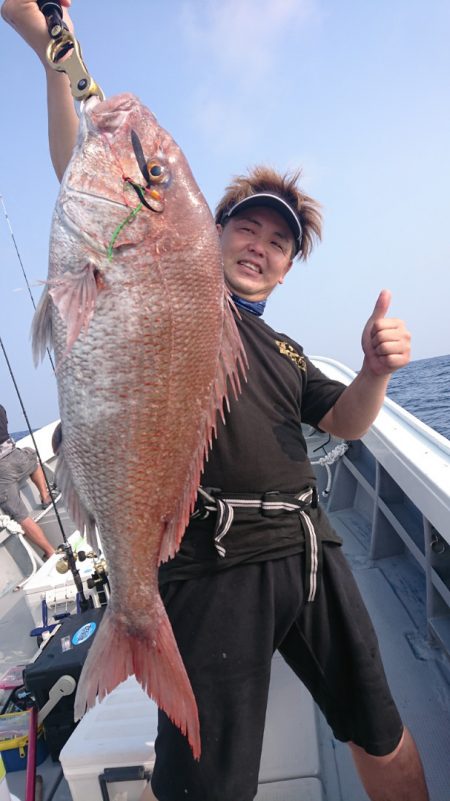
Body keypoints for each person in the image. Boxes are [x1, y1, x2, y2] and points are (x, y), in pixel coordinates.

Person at [1, 3, 429, 800]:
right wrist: (56, 51)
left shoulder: (288, 353)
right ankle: (138, 625)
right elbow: (90, 172)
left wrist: (373, 371)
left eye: (280, 243)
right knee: (205, 786)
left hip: (310, 551)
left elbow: (345, 421)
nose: (261, 246)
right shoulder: (173, 297)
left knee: (382, 729)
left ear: (287, 268)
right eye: (247, 229)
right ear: (212, 233)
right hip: (213, 566)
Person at [0, 404, 55, 558]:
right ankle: (45, 496)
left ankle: (50, 551)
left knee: (19, 514)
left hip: (2, 470)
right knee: (31, 456)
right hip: (16, 456)